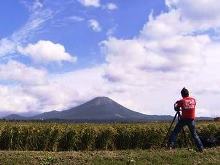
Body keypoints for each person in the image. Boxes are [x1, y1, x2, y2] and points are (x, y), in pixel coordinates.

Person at [168, 87, 204, 152]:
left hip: (184, 119)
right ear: (188, 93)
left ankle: (170, 146)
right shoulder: (193, 100)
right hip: (191, 119)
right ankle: (201, 148)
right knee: (194, 134)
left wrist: (177, 103)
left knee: (175, 132)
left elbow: (176, 108)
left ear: (182, 94)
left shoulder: (182, 101)